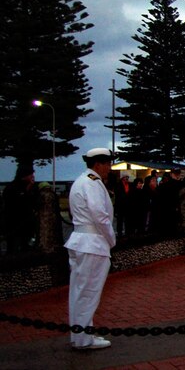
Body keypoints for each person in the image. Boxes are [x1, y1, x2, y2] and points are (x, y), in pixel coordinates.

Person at [65, 148, 116, 350]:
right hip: (92, 243)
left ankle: (79, 335)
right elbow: (100, 216)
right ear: (98, 165)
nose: (110, 168)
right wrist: (111, 239)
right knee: (89, 292)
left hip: (80, 241)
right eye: (108, 164)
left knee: (79, 292)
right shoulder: (92, 183)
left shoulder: (81, 180)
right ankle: (84, 339)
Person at [2, 165, 37, 253]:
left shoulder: (31, 186)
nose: (32, 176)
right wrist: (26, 192)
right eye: (30, 174)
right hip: (14, 223)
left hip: (26, 223)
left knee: (25, 245)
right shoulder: (12, 188)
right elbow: (14, 204)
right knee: (13, 247)